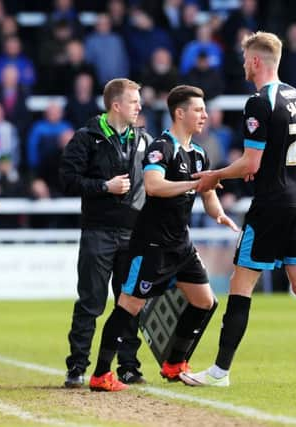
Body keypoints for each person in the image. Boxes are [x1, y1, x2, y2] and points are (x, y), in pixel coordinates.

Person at [181, 31, 296, 387]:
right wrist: (260, 168)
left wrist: (214, 175)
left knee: (240, 283)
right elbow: (281, 153)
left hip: (273, 204)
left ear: (256, 61)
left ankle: (219, 372)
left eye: (246, 57)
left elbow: (250, 164)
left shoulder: (260, 102)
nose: (243, 64)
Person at [88, 85, 238, 392]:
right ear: (179, 113)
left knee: (205, 302)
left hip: (180, 244)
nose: (205, 115)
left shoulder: (199, 154)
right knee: (128, 305)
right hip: (152, 244)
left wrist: (219, 213)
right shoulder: (161, 147)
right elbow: (155, 186)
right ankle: (101, 374)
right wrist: (190, 186)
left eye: (205, 110)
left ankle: (174, 363)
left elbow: (207, 190)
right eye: (198, 110)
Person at [59, 78, 152, 387]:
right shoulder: (87, 137)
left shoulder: (143, 139)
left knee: (129, 302)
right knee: (91, 302)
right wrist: (104, 187)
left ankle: (128, 366)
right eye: (133, 101)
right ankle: (77, 367)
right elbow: (67, 180)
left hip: (133, 233)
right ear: (116, 105)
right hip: (98, 231)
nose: (139, 106)